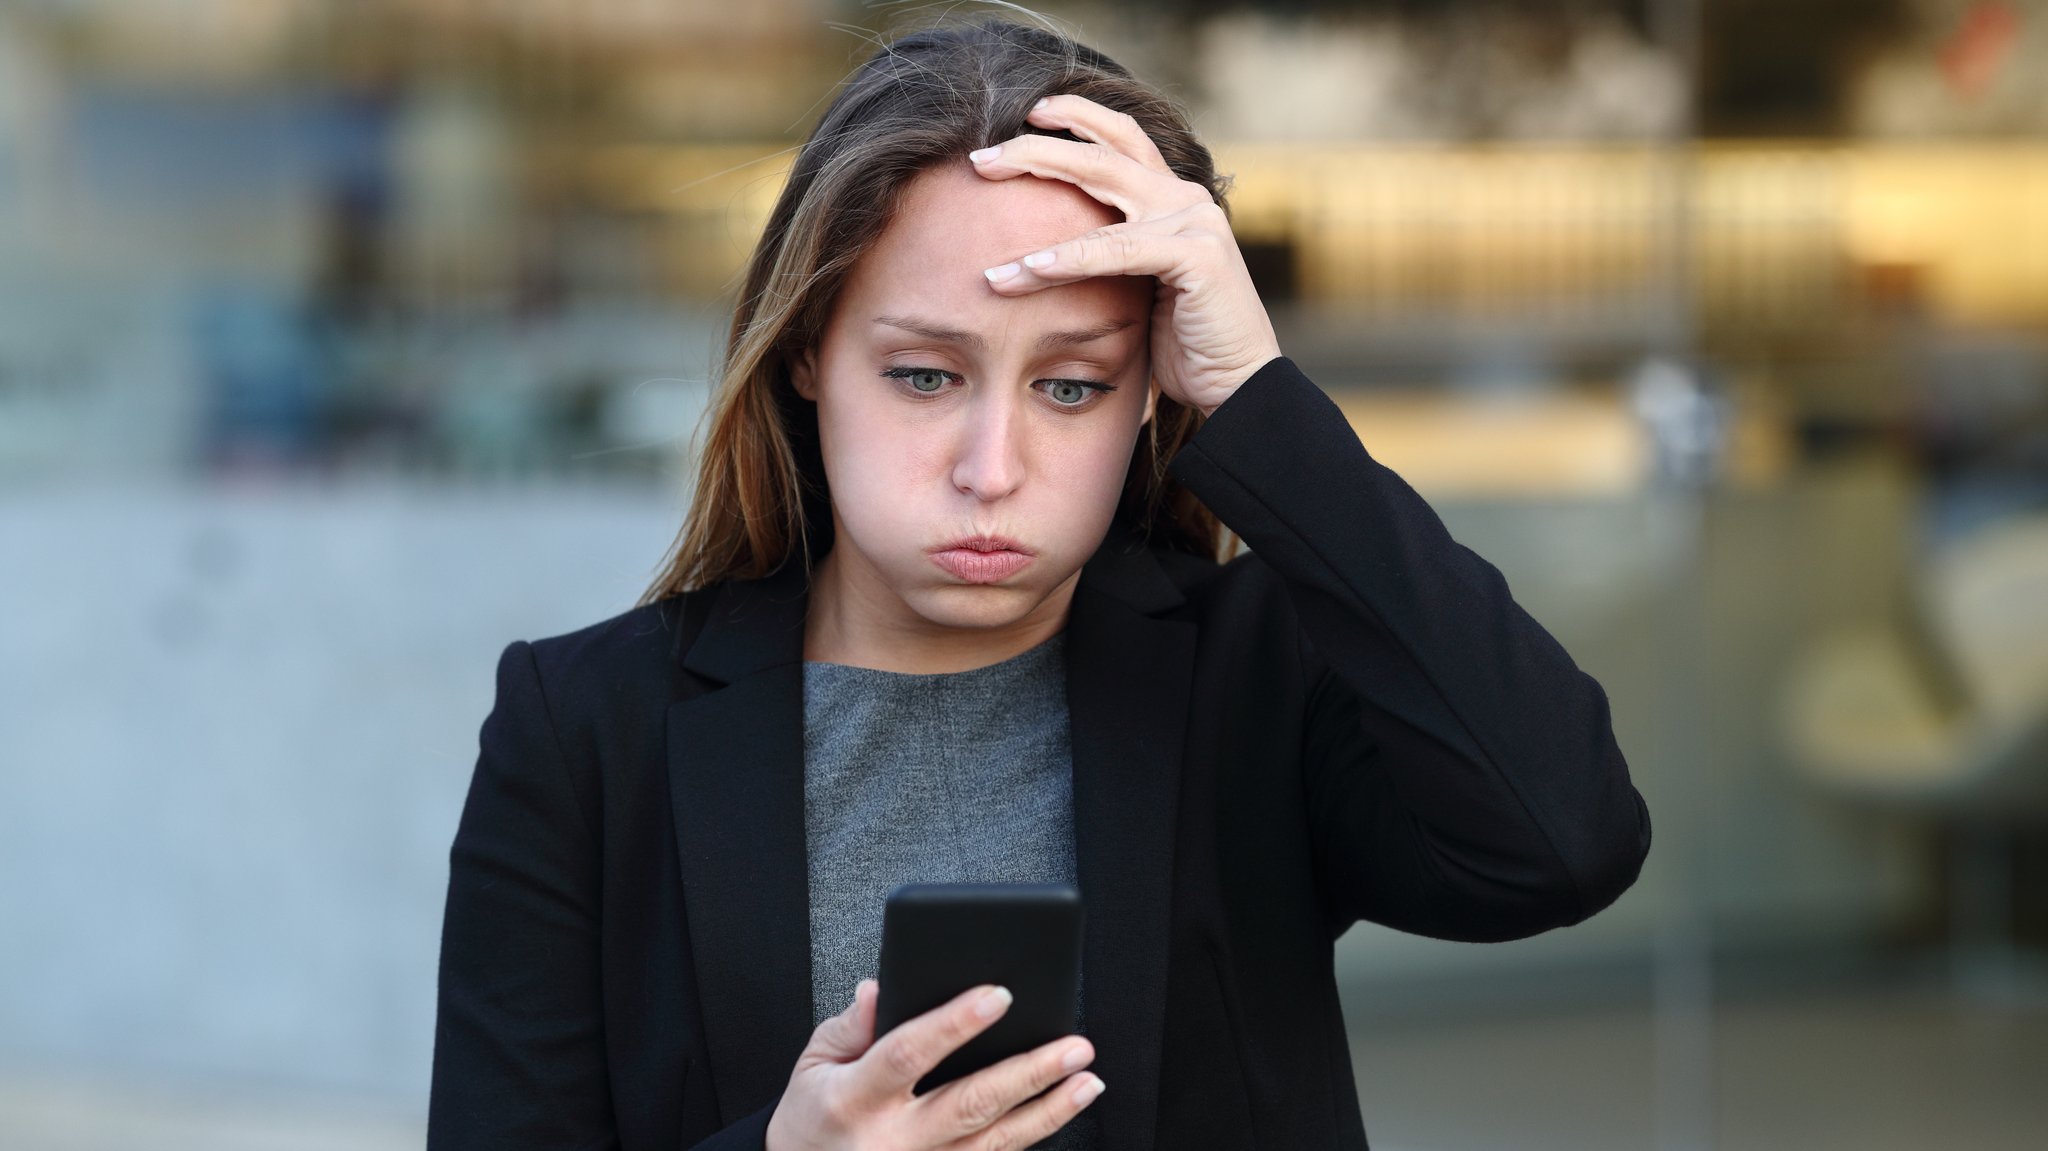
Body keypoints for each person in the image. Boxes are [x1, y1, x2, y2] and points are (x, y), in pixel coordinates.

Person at [427, 13, 1652, 1151]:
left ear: (1149, 392)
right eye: (923, 375)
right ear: (807, 352)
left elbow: (1562, 840)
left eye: (1070, 385)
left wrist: (1266, 403)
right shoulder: (585, 728)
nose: (990, 468)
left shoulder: (1250, 677)